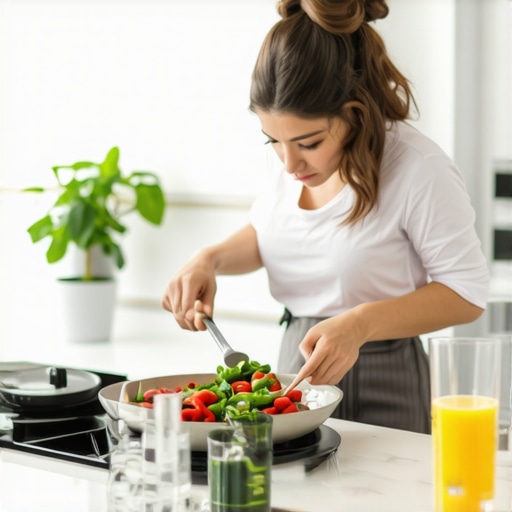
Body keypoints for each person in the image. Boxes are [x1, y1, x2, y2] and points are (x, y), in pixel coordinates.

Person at [161, 0, 489, 434]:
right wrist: (210, 258)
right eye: (272, 141)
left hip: (385, 375)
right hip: (292, 367)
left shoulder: (418, 167)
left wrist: (360, 323)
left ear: (355, 111)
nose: (289, 163)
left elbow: (466, 293)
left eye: (309, 142)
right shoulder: (287, 157)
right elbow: (271, 234)